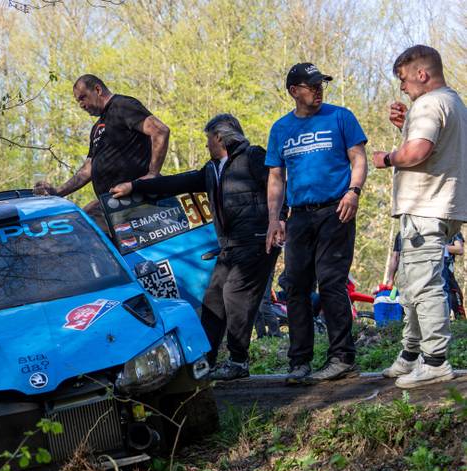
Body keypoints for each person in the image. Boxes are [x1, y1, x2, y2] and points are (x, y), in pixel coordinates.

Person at [110, 114, 278, 381]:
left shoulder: (253, 156)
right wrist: (136, 186)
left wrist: (279, 221)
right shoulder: (212, 169)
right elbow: (178, 182)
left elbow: (277, 185)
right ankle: (205, 362)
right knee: (213, 300)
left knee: (235, 295)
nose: (206, 145)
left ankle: (238, 361)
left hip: (257, 239)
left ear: (220, 137)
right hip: (231, 246)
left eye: (208, 139)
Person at [265, 63, 368, 384]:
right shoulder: (281, 129)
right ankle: (299, 362)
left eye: (321, 83)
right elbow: (276, 177)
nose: (319, 89)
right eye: (312, 85)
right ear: (295, 91)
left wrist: (353, 191)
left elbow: (359, 158)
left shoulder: (340, 116)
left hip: (336, 210)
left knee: (332, 281)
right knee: (294, 285)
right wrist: (274, 220)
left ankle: (341, 358)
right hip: (299, 216)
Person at [372, 45, 467, 387]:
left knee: (424, 286)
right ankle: (411, 354)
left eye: (403, 79)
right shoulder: (449, 101)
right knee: (412, 285)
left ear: (421, 74)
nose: (402, 88)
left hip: (426, 207)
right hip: (439, 205)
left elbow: (418, 152)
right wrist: (407, 123)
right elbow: (431, 145)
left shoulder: (429, 103)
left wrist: (387, 157)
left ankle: (435, 361)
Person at [33, 74, 169, 229]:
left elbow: (160, 131)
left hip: (138, 199)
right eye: (78, 101)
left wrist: (152, 175)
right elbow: (87, 169)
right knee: (78, 224)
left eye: (82, 98)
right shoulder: (97, 127)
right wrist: (57, 191)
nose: (81, 105)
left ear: (97, 89)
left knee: (82, 230)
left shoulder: (122, 106)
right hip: (113, 202)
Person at [254, 274, 282, 339]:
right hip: (253, 271)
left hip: (265, 271)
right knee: (255, 305)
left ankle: (276, 334)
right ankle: (261, 335)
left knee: (264, 304)